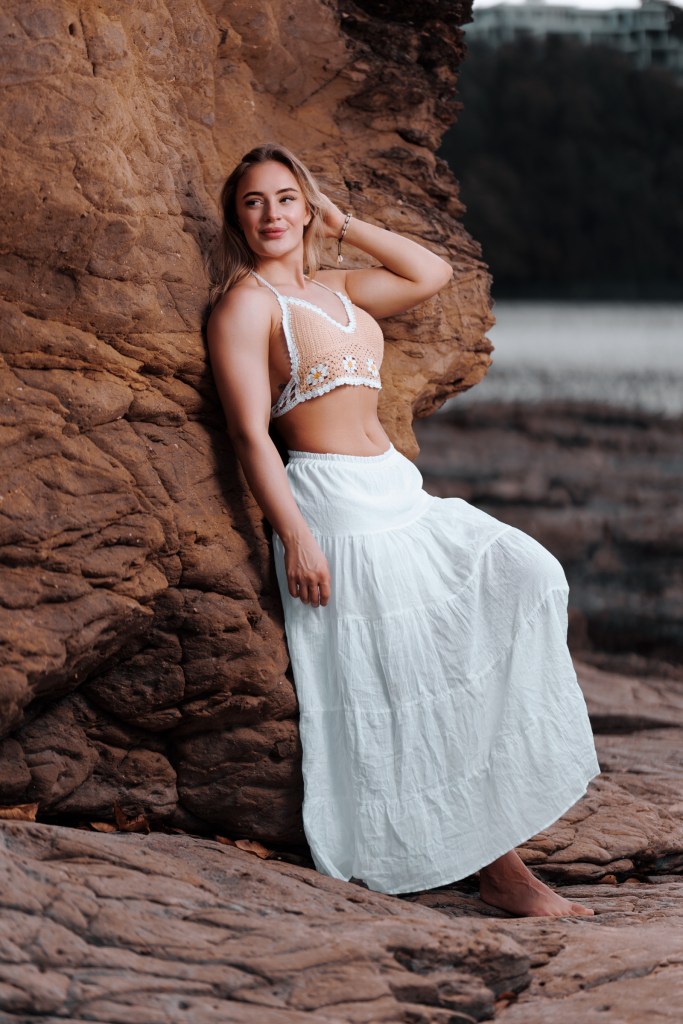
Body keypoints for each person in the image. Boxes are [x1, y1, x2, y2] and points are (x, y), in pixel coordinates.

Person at [206, 142, 601, 917]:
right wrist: (297, 535)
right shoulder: (246, 305)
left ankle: (493, 829)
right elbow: (251, 434)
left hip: (400, 492)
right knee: (413, 672)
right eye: (254, 202)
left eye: (286, 198)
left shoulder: (336, 287)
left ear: (306, 205)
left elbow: (431, 274)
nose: (272, 215)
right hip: (336, 504)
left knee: (530, 576)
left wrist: (342, 221)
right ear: (236, 218)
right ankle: (502, 874)